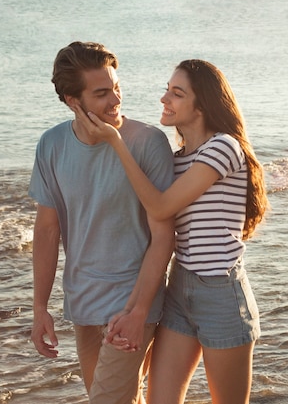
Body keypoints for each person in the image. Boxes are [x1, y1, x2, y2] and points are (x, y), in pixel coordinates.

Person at [73, 59, 269, 404]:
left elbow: (161, 207)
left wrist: (117, 142)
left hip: (221, 292)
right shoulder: (178, 160)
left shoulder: (223, 147)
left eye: (177, 93)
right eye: (167, 90)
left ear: (203, 104)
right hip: (180, 287)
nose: (165, 98)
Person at [28, 41, 175, 404]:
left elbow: (163, 237)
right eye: (101, 93)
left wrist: (139, 311)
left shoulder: (148, 143)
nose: (115, 100)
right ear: (71, 100)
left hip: (133, 299)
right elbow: (47, 230)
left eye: (116, 88)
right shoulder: (52, 145)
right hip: (82, 299)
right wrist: (39, 307)